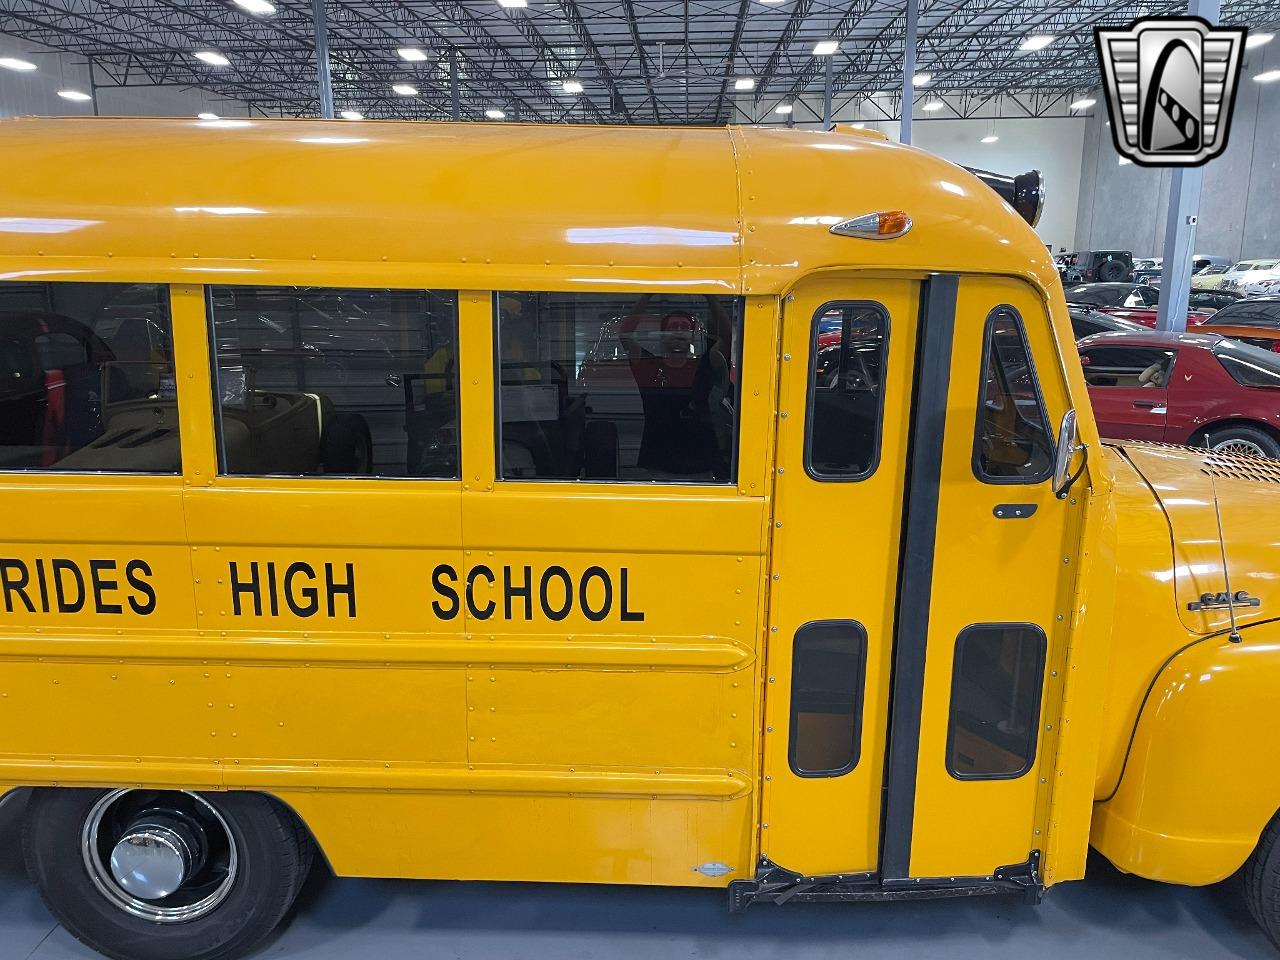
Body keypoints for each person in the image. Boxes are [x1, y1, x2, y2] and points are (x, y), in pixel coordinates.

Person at [618, 295, 733, 480]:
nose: (678, 331)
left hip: (701, 462)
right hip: (658, 462)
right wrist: (647, 295)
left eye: (684, 327)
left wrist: (710, 296)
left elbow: (726, 335)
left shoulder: (705, 365)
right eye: (673, 327)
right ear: (663, 333)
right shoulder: (649, 366)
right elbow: (625, 334)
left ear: (692, 335)